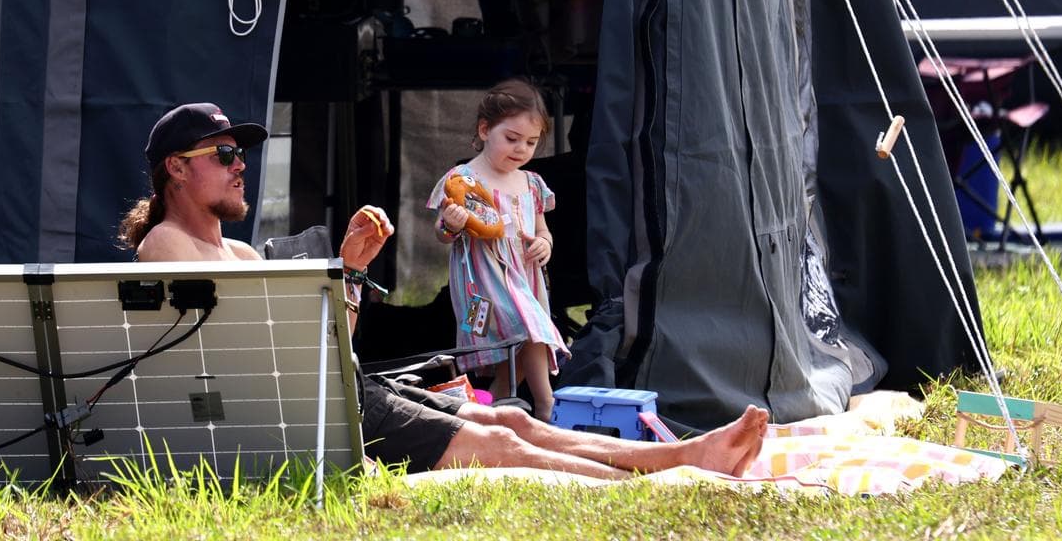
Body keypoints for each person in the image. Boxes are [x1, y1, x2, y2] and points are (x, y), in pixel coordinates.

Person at [119, 101, 770, 480]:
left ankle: (683, 454)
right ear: (177, 168)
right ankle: (665, 484)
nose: (241, 169)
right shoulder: (167, 247)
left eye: (242, 156)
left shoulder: (232, 250)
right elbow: (234, 363)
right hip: (300, 415)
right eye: (225, 157)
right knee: (500, 444)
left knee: (510, 416)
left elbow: (324, 344)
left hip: (332, 391)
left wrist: (349, 274)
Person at [428, 79, 567, 421]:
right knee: (529, 327)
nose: (521, 149)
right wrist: (453, 222)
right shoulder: (463, 179)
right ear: (485, 129)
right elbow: (443, 235)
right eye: (512, 138)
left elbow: (541, 229)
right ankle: (546, 404)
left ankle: (494, 408)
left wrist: (545, 244)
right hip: (485, 276)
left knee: (521, 342)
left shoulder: (531, 182)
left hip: (525, 274)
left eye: (531, 142)